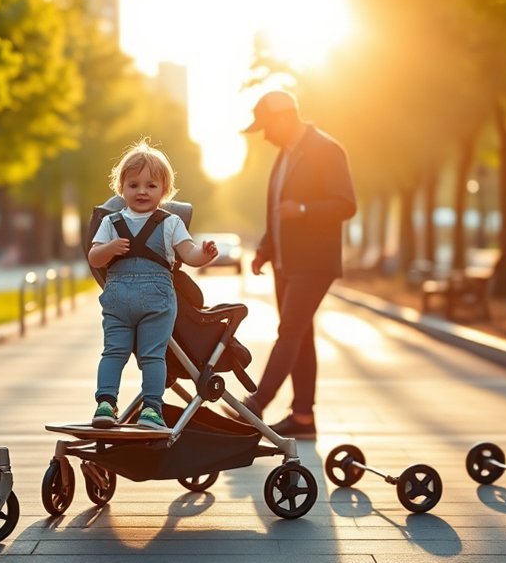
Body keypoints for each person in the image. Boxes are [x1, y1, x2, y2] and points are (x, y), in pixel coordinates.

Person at [238, 90, 357, 438]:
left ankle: (256, 404)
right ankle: (303, 417)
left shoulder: (326, 150)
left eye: (266, 126)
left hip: (313, 262)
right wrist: (264, 249)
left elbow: (346, 204)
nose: (265, 135)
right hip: (286, 264)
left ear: (285, 117)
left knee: (289, 331)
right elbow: (277, 210)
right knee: (300, 336)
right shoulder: (286, 155)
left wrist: (303, 209)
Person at [88, 140, 219, 430]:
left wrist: (205, 254)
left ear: (164, 190)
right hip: (121, 302)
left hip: (154, 301)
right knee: (114, 351)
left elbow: (189, 254)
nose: (142, 191)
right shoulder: (111, 221)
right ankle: (105, 403)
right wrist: (109, 248)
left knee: (152, 355)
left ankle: (151, 408)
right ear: (121, 188)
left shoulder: (171, 223)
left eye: (151, 185)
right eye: (133, 185)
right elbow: (95, 257)